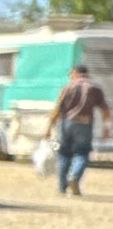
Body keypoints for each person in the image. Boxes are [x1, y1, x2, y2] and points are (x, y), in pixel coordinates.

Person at [43, 63, 112, 196]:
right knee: (81, 153)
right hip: (85, 124)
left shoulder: (67, 87)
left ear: (75, 73)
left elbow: (57, 109)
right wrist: (107, 128)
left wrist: (49, 127)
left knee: (63, 154)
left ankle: (62, 187)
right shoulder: (94, 88)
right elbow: (105, 110)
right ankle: (74, 176)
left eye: (70, 74)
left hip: (66, 123)